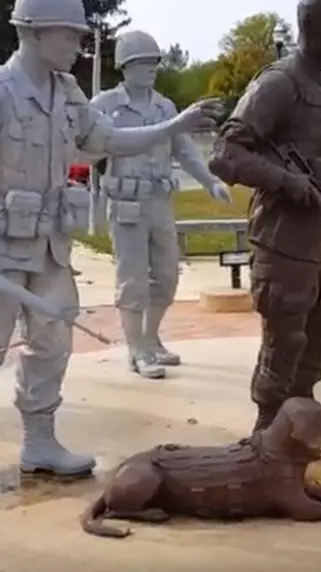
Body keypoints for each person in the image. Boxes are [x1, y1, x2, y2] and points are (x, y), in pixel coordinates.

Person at [0, 0, 222, 480]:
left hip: (49, 246)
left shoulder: (66, 94)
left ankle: (40, 440)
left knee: (53, 343)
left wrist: (173, 128)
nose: (78, 45)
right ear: (35, 33)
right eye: (69, 35)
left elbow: (109, 139)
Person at [209, 0, 321, 432]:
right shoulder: (279, 83)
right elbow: (225, 154)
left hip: (319, 233)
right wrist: (288, 181)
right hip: (282, 235)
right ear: (310, 26)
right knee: (285, 334)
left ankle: (301, 408)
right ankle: (268, 425)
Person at [90, 30, 231, 380]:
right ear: (125, 66)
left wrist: (210, 181)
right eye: (142, 63)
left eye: (154, 63)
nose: (150, 69)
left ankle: (151, 339)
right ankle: (136, 349)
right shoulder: (105, 106)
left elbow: (184, 150)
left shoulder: (165, 107)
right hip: (126, 204)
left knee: (167, 276)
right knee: (132, 280)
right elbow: (87, 147)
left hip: (159, 202)